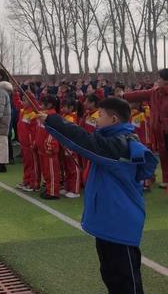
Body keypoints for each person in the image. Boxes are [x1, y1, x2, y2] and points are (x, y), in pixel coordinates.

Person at [39, 97, 157, 294]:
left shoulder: (121, 144)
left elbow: (84, 140)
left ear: (114, 119)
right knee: (111, 275)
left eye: (100, 116)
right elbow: (87, 144)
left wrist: (52, 120)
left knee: (126, 280)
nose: (96, 119)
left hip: (119, 223)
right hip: (108, 221)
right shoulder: (113, 141)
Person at [124, 69, 168, 188]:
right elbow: (139, 94)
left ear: (166, 81)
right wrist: (123, 96)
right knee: (163, 155)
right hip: (159, 130)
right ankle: (166, 179)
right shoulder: (155, 92)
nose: (157, 80)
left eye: (160, 78)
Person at [36, 95, 60, 199]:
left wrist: (50, 146)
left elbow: (53, 133)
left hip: (49, 150)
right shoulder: (43, 115)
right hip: (42, 149)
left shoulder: (52, 117)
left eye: (43, 103)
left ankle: (53, 192)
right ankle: (49, 188)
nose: (40, 105)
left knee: (51, 172)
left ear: (49, 104)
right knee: (46, 172)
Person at [60, 98, 81, 198]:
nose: (62, 108)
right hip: (64, 144)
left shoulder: (72, 118)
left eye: (64, 106)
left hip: (71, 145)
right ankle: (68, 187)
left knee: (73, 168)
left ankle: (75, 190)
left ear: (71, 107)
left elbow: (71, 134)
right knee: (67, 167)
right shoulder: (65, 116)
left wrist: (70, 146)